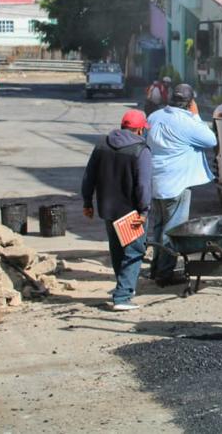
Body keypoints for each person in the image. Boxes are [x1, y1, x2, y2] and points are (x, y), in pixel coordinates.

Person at [80, 109, 151, 311]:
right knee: (134, 250)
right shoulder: (140, 150)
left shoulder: (102, 144)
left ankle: (123, 287)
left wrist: (87, 202)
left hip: (107, 208)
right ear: (139, 130)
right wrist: (144, 211)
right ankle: (122, 297)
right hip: (131, 212)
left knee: (117, 250)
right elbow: (144, 185)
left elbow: (89, 176)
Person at [146, 83, 216, 286]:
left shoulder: (155, 116)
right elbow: (211, 140)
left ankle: (156, 268)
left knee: (159, 227)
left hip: (155, 182)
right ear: (190, 103)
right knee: (173, 230)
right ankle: (165, 273)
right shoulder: (187, 122)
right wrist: (195, 116)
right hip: (176, 184)